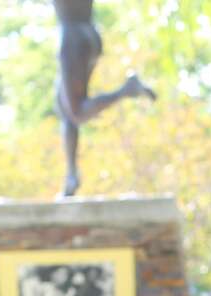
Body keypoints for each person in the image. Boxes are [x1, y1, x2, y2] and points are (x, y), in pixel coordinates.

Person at [53, 0, 156, 198]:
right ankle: (71, 175)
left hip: (72, 36)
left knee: (76, 113)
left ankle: (127, 89)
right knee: (64, 108)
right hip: (89, 33)